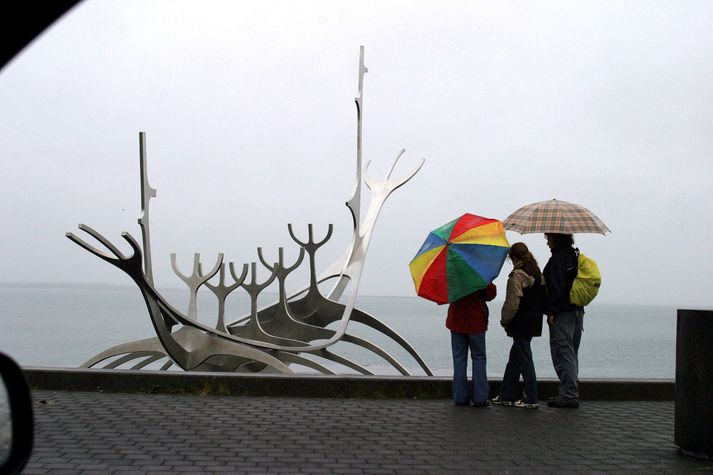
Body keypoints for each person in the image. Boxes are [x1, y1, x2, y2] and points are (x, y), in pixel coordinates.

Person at [492, 242, 546, 409]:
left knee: (525, 360)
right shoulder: (538, 274)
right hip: (533, 321)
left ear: (513, 257)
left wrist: (504, 320)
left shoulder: (517, 276)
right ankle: (506, 394)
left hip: (520, 323)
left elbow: (513, 302)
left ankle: (531, 397)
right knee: (515, 359)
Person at [543, 233, 583, 408]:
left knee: (563, 353)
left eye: (549, 239)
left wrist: (551, 311)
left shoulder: (558, 259)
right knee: (571, 354)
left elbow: (557, 288)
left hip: (562, 312)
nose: (547, 243)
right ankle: (569, 391)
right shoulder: (574, 255)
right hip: (577, 311)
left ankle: (569, 395)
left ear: (556, 239)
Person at [446, 283, 497, 407]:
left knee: (459, 359)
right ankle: (480, 398)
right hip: (476, 320)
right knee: (479, 358)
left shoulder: (454, 273)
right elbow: (490, 294)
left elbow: (447, 294)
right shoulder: (479, 272)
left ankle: (460, 397)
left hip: (457, 319)